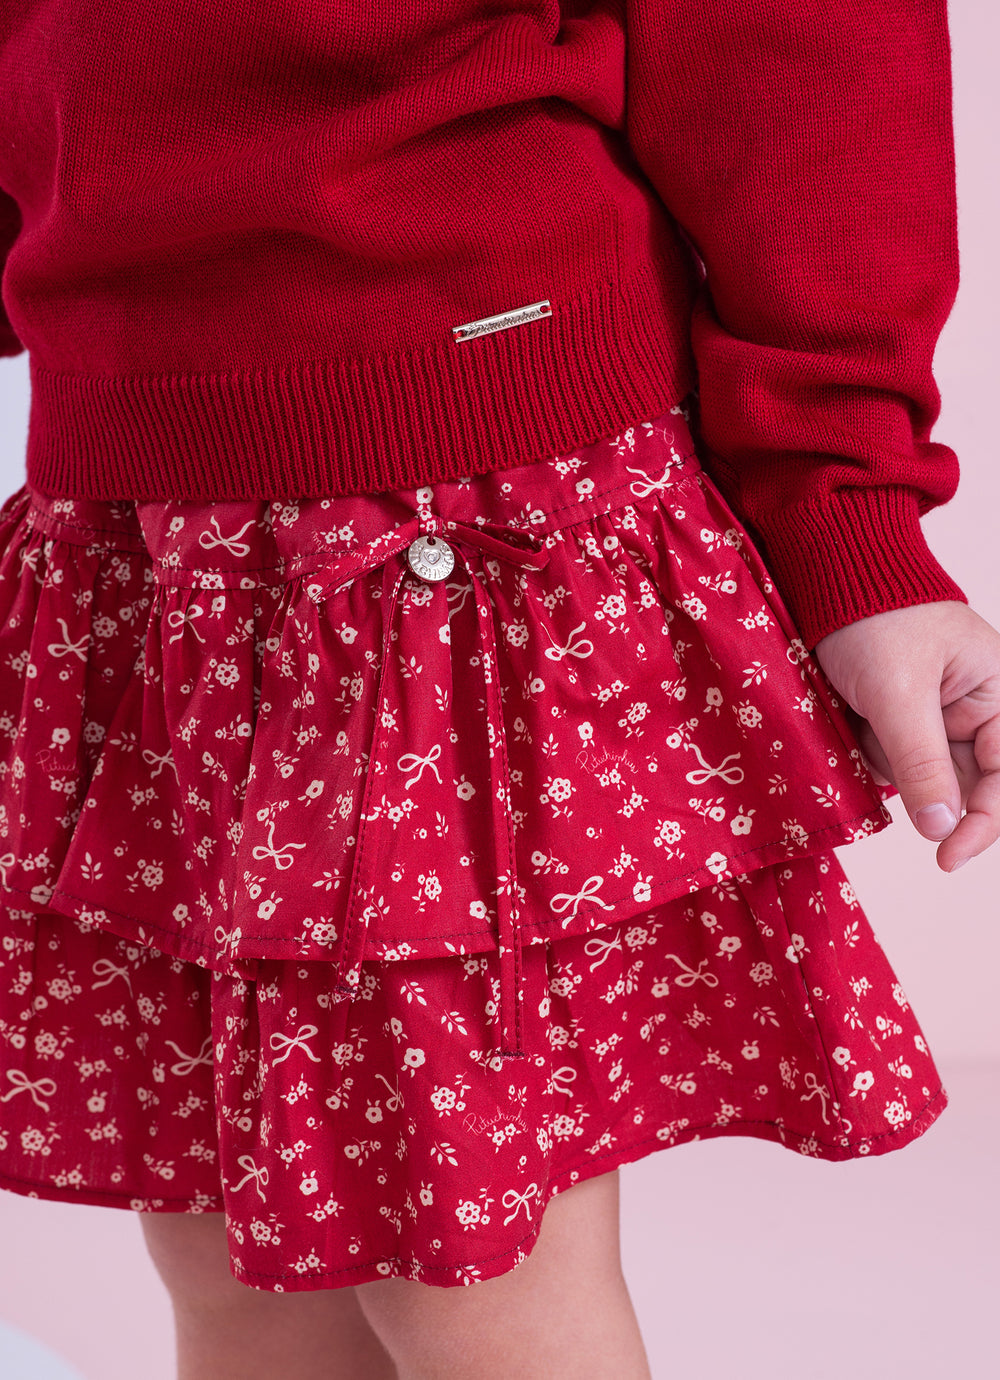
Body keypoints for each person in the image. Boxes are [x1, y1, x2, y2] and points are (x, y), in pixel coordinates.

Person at [0, 4, 996, 1378]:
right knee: (231, 1263)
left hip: (449, 548)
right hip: (139, 539)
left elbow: (807, 70)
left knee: (471, 1278)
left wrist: (853, 522)